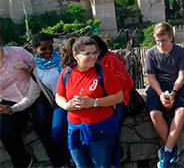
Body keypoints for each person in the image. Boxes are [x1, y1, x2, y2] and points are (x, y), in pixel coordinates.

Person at [0, 29, 67, 168]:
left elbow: (40, 64)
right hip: (10, 99)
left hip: (34, 93)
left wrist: (28, 66)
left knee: (44, 125)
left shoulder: (16, 52)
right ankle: (23, 162)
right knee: (6, 133)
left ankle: (59, 162)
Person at [56, 36, 123, 168]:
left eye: (95, 53)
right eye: (88, 54)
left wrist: (93, 102)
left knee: (101, 166)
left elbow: (118, 97)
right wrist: (66, 105)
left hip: (101, 129)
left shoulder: (104, 72)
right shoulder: (66, 73)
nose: (93, 57)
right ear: (76, 55)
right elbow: (59, 96)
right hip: (75, 129)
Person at [144, 22, 184, 168]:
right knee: (154, 114)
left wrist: (173, 93)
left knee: (182, 111)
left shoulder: (180, 52)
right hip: (157, 87)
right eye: (158, 41)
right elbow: (151, 78)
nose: (160, 44)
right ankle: (172, 148)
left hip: (177, 86)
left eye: (163, 40)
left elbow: (181, 76)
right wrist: (160, 95)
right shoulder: (151, 53)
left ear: (171, 38)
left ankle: (166, 151)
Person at [31, 32, 71, 165]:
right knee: (57, 134)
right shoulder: (36, 71)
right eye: (43, 49)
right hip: (60, 101)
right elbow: (32, 94)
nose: (48, 52)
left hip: (78, 96)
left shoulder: (64, 59)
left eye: (50, 48)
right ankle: (72, 156)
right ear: (35, 50)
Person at [92, 35, 134, 132]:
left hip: (120, 97)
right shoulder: (92, 63)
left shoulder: (110, 59)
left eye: (95, 52)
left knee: (114, 127)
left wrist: (114, 101)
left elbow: (121, 81)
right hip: (104, 99)